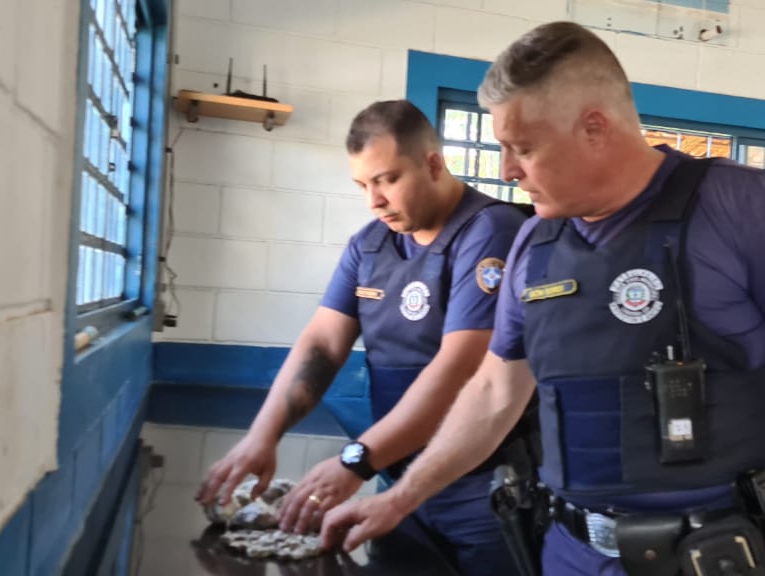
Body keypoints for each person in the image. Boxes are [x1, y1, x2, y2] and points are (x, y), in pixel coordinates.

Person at [320, 21, 765, 576]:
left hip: (709, 554)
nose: (508, 170)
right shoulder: (534, 244)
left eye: (523, 148)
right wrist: (400, 497)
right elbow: (493, 394)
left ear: (594, 128)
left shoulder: (738, 204)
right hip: (570, 551)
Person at [195, 99, 533, 576]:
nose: (373, 200)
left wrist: (355, 462)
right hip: (398, 478)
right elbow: (322, 344)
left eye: (387, 179)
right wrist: (262, 437)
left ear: (433, 164)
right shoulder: (369, 245)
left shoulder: (491, 231)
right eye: (362, 185)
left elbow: (462, 369)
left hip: (483, 489)